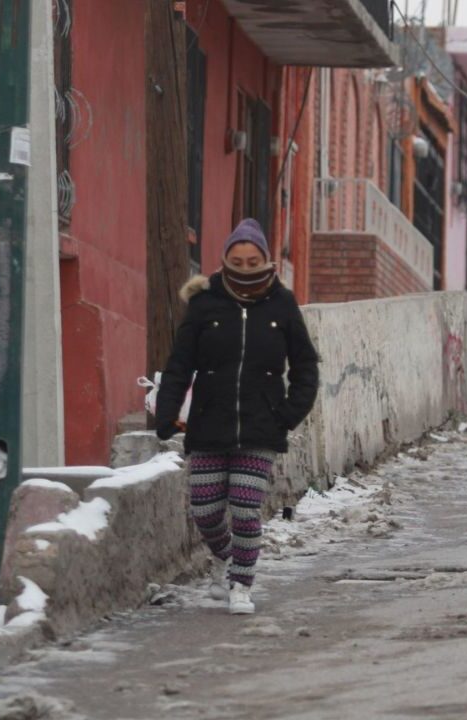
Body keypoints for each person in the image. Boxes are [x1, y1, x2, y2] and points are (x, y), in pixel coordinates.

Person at [155, 218, 320, 615]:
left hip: (262, 428)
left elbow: (305, 368)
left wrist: (286, 416)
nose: (245, 267)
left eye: (253, 260)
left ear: (264, 259)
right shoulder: (204, 303)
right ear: (225, 259)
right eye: (238, 260)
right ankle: (226, 557)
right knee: (206, 510)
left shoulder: (282, 304)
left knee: (246, 508)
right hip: (209, 424)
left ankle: (241, 584)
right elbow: (180, 365)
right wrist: (166, 412)